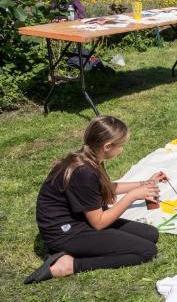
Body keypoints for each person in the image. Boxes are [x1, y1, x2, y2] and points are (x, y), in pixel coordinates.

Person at [24, 116, 162, 284]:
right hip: (65, 233)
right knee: (147, 251)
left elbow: (104, 187)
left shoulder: (89, 157)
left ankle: (76, 251)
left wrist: (144, 184)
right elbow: (99, 223)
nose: (122, 149)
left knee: (150, 234)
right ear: (107, 146)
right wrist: (132, 197)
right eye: (121, 145)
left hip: (80, 219)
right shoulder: (83, 172)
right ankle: (70, 264)